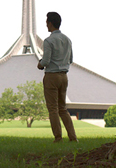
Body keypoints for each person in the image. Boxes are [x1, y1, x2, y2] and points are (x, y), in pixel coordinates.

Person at [37, 12, 78, 143]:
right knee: (63, 108)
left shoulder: (48, 41)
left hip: (52, 76)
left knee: (53, 109)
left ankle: (58, 137)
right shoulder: (67, 40)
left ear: (50, 23)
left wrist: (40, 64)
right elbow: (71, 59)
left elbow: (45, 61)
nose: (46, 25)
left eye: (47, 23)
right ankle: (73, 137)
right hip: (64, 77)